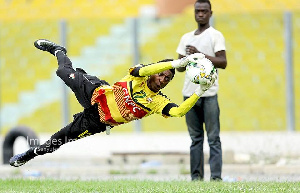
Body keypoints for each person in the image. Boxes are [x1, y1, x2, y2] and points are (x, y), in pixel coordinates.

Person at [9, 39, 216, 167]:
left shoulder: (157, 102)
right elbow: (142, 70)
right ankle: (58, 50)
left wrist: (200, 91)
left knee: (56, 141)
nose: (162, 79)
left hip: (97, 120)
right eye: (161, 74)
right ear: (156, 71)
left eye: (167, 79)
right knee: (62, 71)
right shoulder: (139, 76)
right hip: (97, 92)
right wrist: (176, 63)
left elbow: (179, 112)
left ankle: (29, 154)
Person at [176, 0, 227, 181]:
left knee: (213, 138)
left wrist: (200, 55)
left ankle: (215, 178)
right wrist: (187, 58)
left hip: (209, 93)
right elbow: (180, 67)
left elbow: (223, 62)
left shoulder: (215, 35)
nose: (201, 14)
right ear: (194, 13)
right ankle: (196, 178)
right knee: (196, 139)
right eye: (198, 11)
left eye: (204, 11)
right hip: (190, 94)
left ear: (210, 13)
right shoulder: (186, 38)